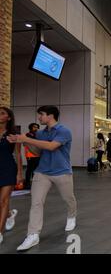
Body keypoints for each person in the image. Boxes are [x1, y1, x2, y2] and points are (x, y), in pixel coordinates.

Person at [7, 106, 77, 251]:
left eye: (41, 115)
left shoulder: (64, 131)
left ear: (51, 116)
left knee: (68, 198)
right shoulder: (40, 133)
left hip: (62, 171)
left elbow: (52, 146)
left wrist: (26, 138)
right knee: (36, 203)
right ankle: (33, 235)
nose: (39, 118)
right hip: (42, 172)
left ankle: (71, 216)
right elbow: (37, 151)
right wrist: (23, 142)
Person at [0, 107, 23, 245]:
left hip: (8, 168)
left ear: (8, 118)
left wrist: (20, 173)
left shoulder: (14, 134)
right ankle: (9, 214)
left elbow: (17, 154)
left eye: (2, 113)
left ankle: (0, 232)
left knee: (3, 201)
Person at [24, 123, 40, 190]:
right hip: (30, 155)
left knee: (36, 170)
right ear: (30, 128)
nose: (36, 128)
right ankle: (27, 184)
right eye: (34, 127)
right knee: (29, 169)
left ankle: (34, 183)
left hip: (38, 155)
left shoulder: (37, 135)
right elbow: (32, 141)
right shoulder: (28, 135)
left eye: (37, 127)